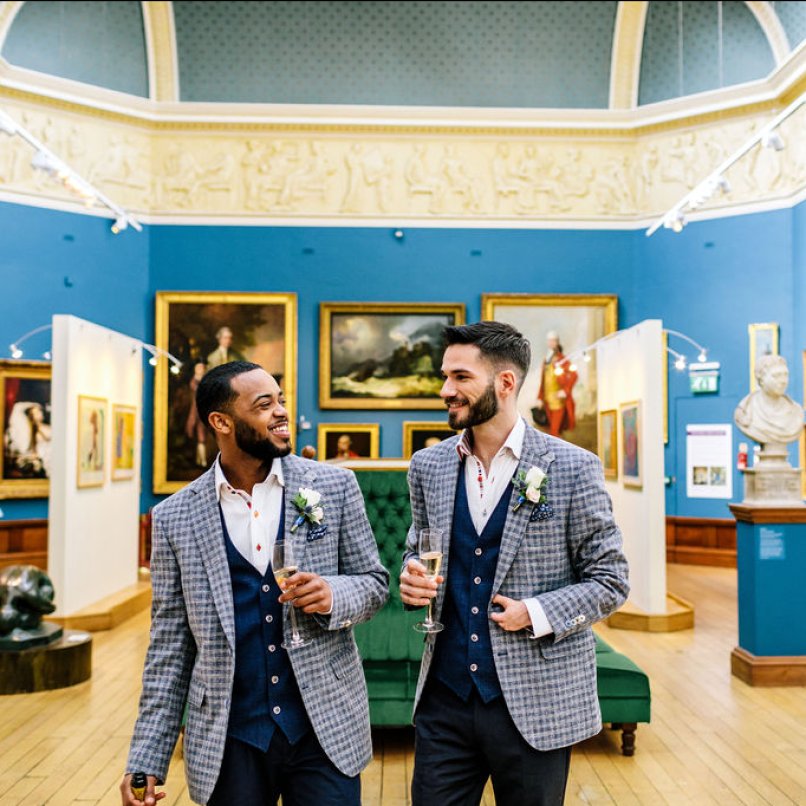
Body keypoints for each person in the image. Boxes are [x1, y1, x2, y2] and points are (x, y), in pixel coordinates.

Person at [122, 361, 389, 806]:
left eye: (281, 399)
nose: (282, 412)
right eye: (265, 405)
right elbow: (169, 645)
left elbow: (374, 584)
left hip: (325, 731)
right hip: (230, 738)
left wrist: (331, 595)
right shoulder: (174, 518)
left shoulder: (336, 486)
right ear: (221, 422)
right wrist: (147, 755)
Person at [400, 321, 629, 806]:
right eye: (445, 377)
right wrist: (412, 577)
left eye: (461, 377)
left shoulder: (573, 466)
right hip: (446, 698)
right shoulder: (428, 466)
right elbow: (417, 548)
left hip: (536, 701)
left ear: (505, 383)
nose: (446, 390)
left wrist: (536, 613)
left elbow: (611, 581)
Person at [734, 354, 803, 447]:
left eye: (786, 375)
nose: (783, 381)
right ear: (761, 379)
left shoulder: (796, 411)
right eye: (776, 376)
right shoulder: (746, 410)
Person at [534, 330, 577, 437]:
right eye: (550, 341)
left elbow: (573, 375)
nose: (551, 343)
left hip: (559, 401)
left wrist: (565, 391)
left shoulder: (563, 360)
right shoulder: (546, 360)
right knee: (549, 430)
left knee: (555, 430)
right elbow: (543, 381)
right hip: (547, 401)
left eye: (553, 341)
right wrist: (540, 397)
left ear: (557, 342)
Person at [184, 362, 209, 467]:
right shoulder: (195, 382)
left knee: (202, 437)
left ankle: (201, 460)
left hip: (202, 410)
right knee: (199, 437)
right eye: (199, 368)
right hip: (196, 411)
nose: (200, 370)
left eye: (202, 368)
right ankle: (201, 461)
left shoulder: (204, 381)